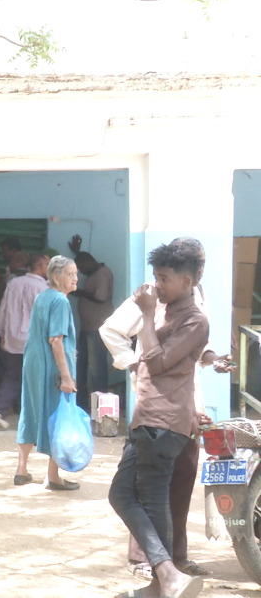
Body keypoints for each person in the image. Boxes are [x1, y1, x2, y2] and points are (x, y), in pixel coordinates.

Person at [101, 237, 231, 581]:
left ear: (189, 278)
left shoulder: (189, 310)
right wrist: (133, 363)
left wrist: (209, 358)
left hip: (169, 417)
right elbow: (116, 333)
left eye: (164, 278)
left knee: (161, 493)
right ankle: (160, 567)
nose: (158, 284)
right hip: (149, 414)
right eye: (157, 277)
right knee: (124, 494)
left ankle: (168, 571)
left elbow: (166, 358)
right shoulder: (157, 299)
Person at [14, 255, 79, 488]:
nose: (75, 279)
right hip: (50, 367)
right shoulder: (60, 301)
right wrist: (66, 377)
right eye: (70, 274)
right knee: (57, 416)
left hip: (33, 363)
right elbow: (56, 340)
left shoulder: (43, 296)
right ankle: (52, 477)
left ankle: (21, 469)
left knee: (30, 411)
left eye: (76, 274)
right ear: (56, 277)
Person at [0, 253, 49, 430]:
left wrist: (0, 333)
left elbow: (3, 309)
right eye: (48, 264)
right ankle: (32, 418)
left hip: (13, 338)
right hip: (34, 340)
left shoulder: (13, 283)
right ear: (41, 266)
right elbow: (44, 317)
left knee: (13, 375)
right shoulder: (43, 288)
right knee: (35, 378)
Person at [68, 235, 114, 400]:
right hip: (87, 327)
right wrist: (77, 252)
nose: (81, 273)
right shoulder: (94, 272)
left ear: (87, 264)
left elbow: (100, 298)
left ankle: (100, 405)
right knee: (80, 365)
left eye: (81, 269)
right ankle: (80, 403)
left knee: (97, 369)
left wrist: (79, 292)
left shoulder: (102, 274)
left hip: (98, 328)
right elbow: (83, 260)